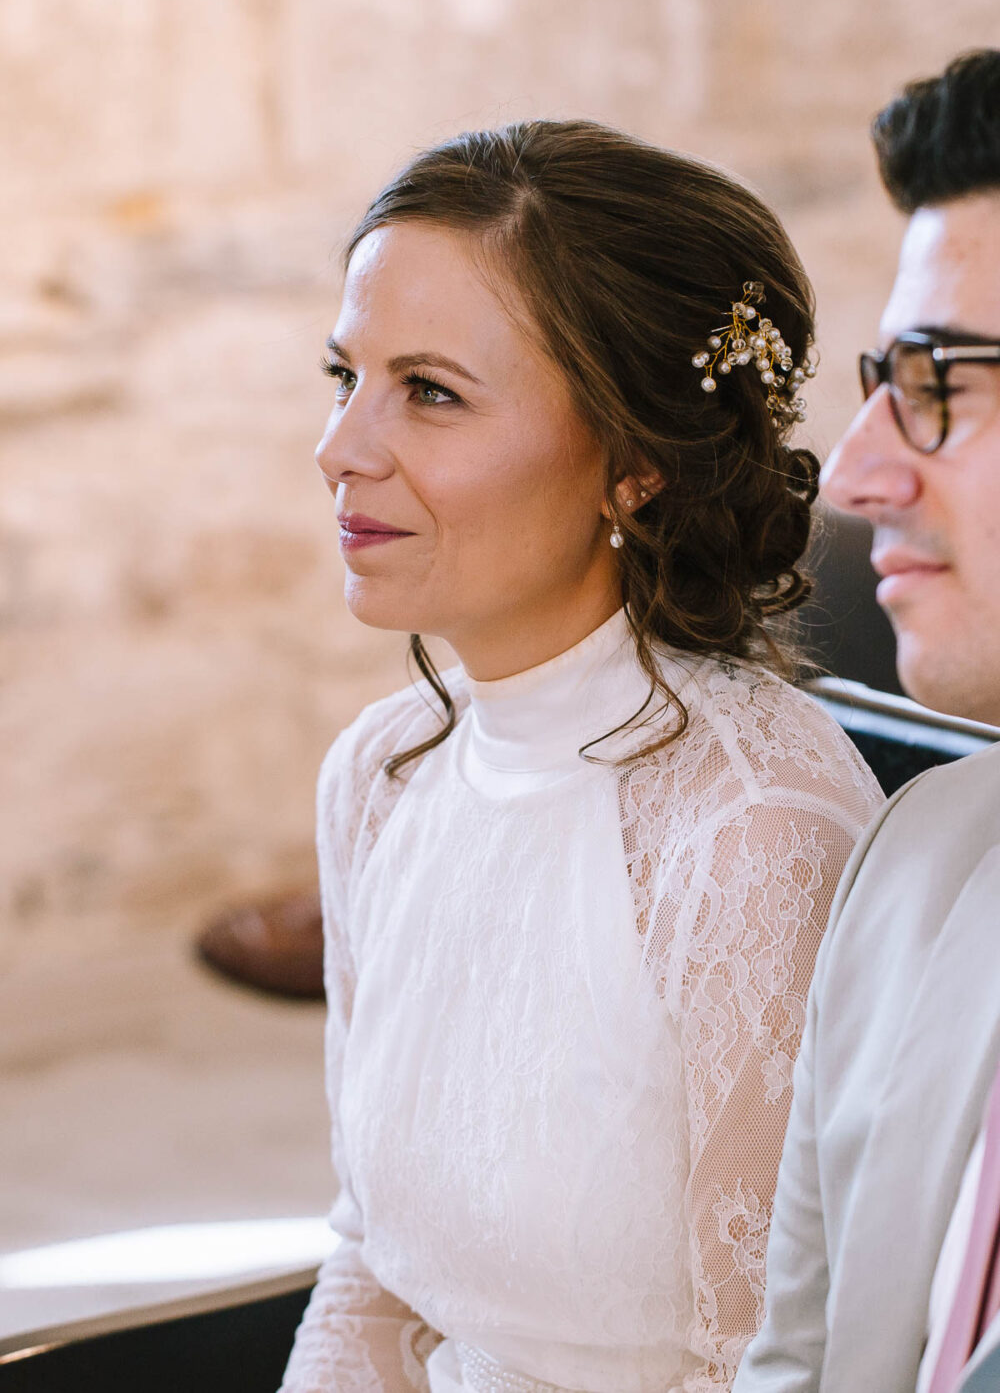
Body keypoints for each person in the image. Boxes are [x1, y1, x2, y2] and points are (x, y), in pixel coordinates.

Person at [279, 120, 883, 1393]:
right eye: (348, 377)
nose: (342, 448)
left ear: (635, 464)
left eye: (430, 392)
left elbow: (769, 1369)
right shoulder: (379, 779)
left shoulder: (749, 829)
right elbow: (372, 1267)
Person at [733, 50, 1000, 1393]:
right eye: (878, 380)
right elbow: (795, 1362)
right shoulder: (914, 858)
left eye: (942, 382)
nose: (854, 471)